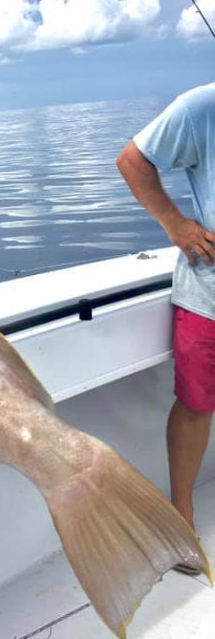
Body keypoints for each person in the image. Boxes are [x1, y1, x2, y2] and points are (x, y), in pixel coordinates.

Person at [117, 83, 215, 572]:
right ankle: (181, 512)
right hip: (209, 297)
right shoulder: (204, 105)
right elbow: (133, 160)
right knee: (197, 405)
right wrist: (175, 225)